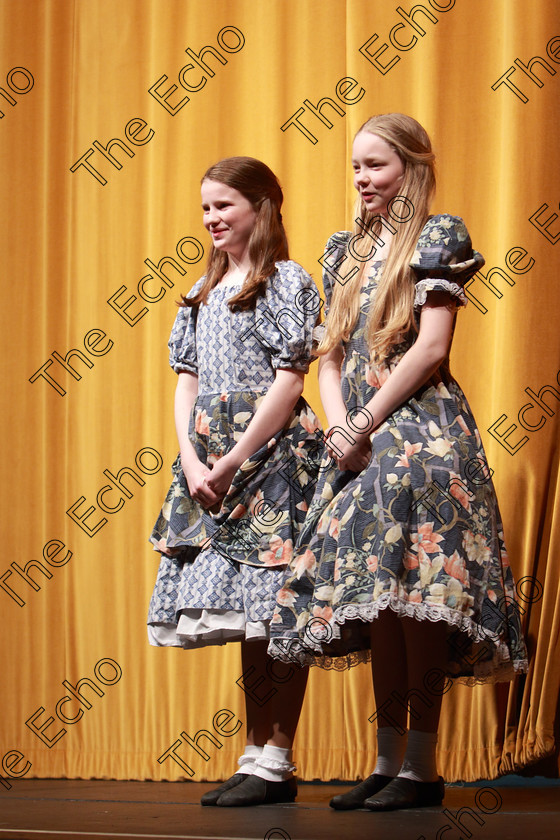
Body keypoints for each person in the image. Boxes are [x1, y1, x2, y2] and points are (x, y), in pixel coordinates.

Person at [268, 113, 528, 812]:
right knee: (377, 602)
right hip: (357, 439)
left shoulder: (439, 237)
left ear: (412, 168)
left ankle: (422, 766)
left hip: (420, 439)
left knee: (421, 599)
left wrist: (364, 419)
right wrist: (338, 427)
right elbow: (331, 354)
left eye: (376, 166)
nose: (362, 179)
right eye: (355, 167)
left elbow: (432, 348)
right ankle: (385, 763)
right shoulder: (340, 250)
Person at [147, 157, 323, 807]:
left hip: (271, 463)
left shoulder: (285, 282)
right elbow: (186, 381)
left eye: (224, 205)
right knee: (248, 620)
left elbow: (289, 378)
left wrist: (234, 458)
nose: (212, 219)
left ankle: (278, 754)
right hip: (213, 462)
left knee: (280, 614)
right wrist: (193, 458)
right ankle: (256, 754)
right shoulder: (201, 293)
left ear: (261, 207)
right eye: (205, 208)